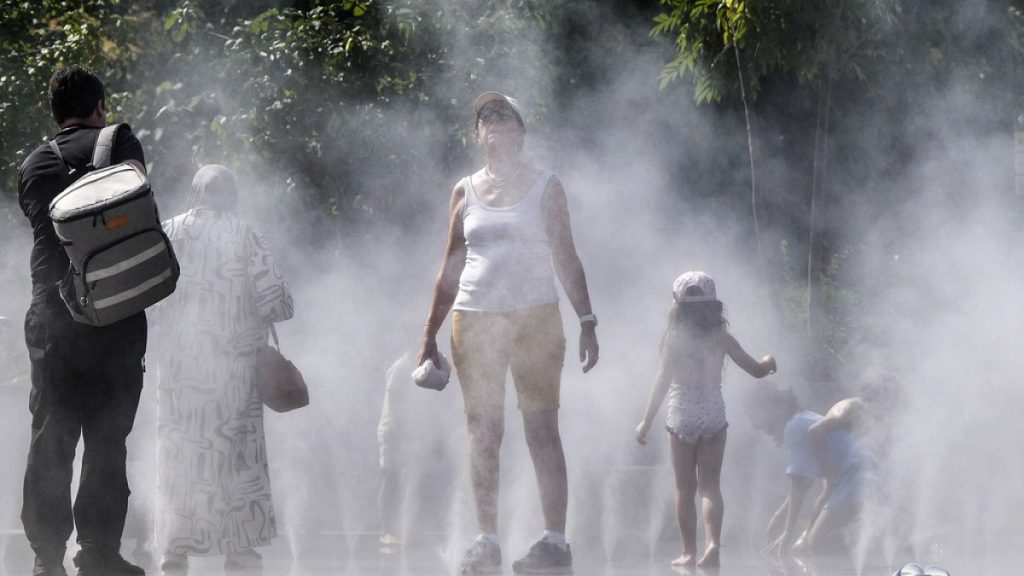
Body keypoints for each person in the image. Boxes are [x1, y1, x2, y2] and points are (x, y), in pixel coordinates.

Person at [417, 91, 599, 575]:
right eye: (484, 117)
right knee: (483, 431)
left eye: (503, 116)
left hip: (535, 316)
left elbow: (566, 254)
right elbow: (450, 266)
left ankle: (555, 542)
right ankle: (486, 541)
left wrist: (586, 319)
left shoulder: (546, 186)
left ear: (521, 130)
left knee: (541, 429)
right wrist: (428, 334)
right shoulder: (464, 190)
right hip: (474, 318)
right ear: (477, 134)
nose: (493, 123)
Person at [17, 65, 149, 576]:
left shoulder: (32, 164)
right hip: (116, 313)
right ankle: (98, 553)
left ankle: (46, 557)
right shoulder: (120, 142)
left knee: (52, 434)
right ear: (99, 106)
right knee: (107, 436)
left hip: (52, 315)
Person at [154, 165, 293, 573]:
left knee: (181, 457)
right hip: (234, 371)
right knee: (237, 459)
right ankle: (239, 549)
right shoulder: (245, 233)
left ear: (195, 194)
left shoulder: (168, 231)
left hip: (179, 371)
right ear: (231, 196)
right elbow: (278, 303)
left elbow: (148, 299)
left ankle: (174, 550)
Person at [635, 271, 776, 568]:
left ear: (677, 306)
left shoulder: (673, 339)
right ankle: (713, 545)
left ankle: (688, 551)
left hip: (682, 410)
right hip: (712, 409)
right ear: (714, 305)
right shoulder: (721, 337)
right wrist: (769, 363)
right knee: (710, 486)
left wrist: (646, 421)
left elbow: (662, 381)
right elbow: (754, 369)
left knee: (684, 488)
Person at [745, 382, 874, 561]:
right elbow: (802, 485)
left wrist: (787, 533)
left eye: (753, 413)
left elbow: (799, 489)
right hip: (854, 475)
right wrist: (779, 517)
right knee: (808, 544)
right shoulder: (800, 419)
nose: (753, 423)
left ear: (772, 407)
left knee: (814, 546)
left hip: (854, 475)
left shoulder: (795, 427)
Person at [377, 351, 458, 552]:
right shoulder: (401, 366)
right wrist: (405, 431)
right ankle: (385, 531)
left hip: (413, 432)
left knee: (415, 479)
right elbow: (395, 404)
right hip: (393, 431)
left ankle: (410, 528)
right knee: (391, 479)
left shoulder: (426, 364)